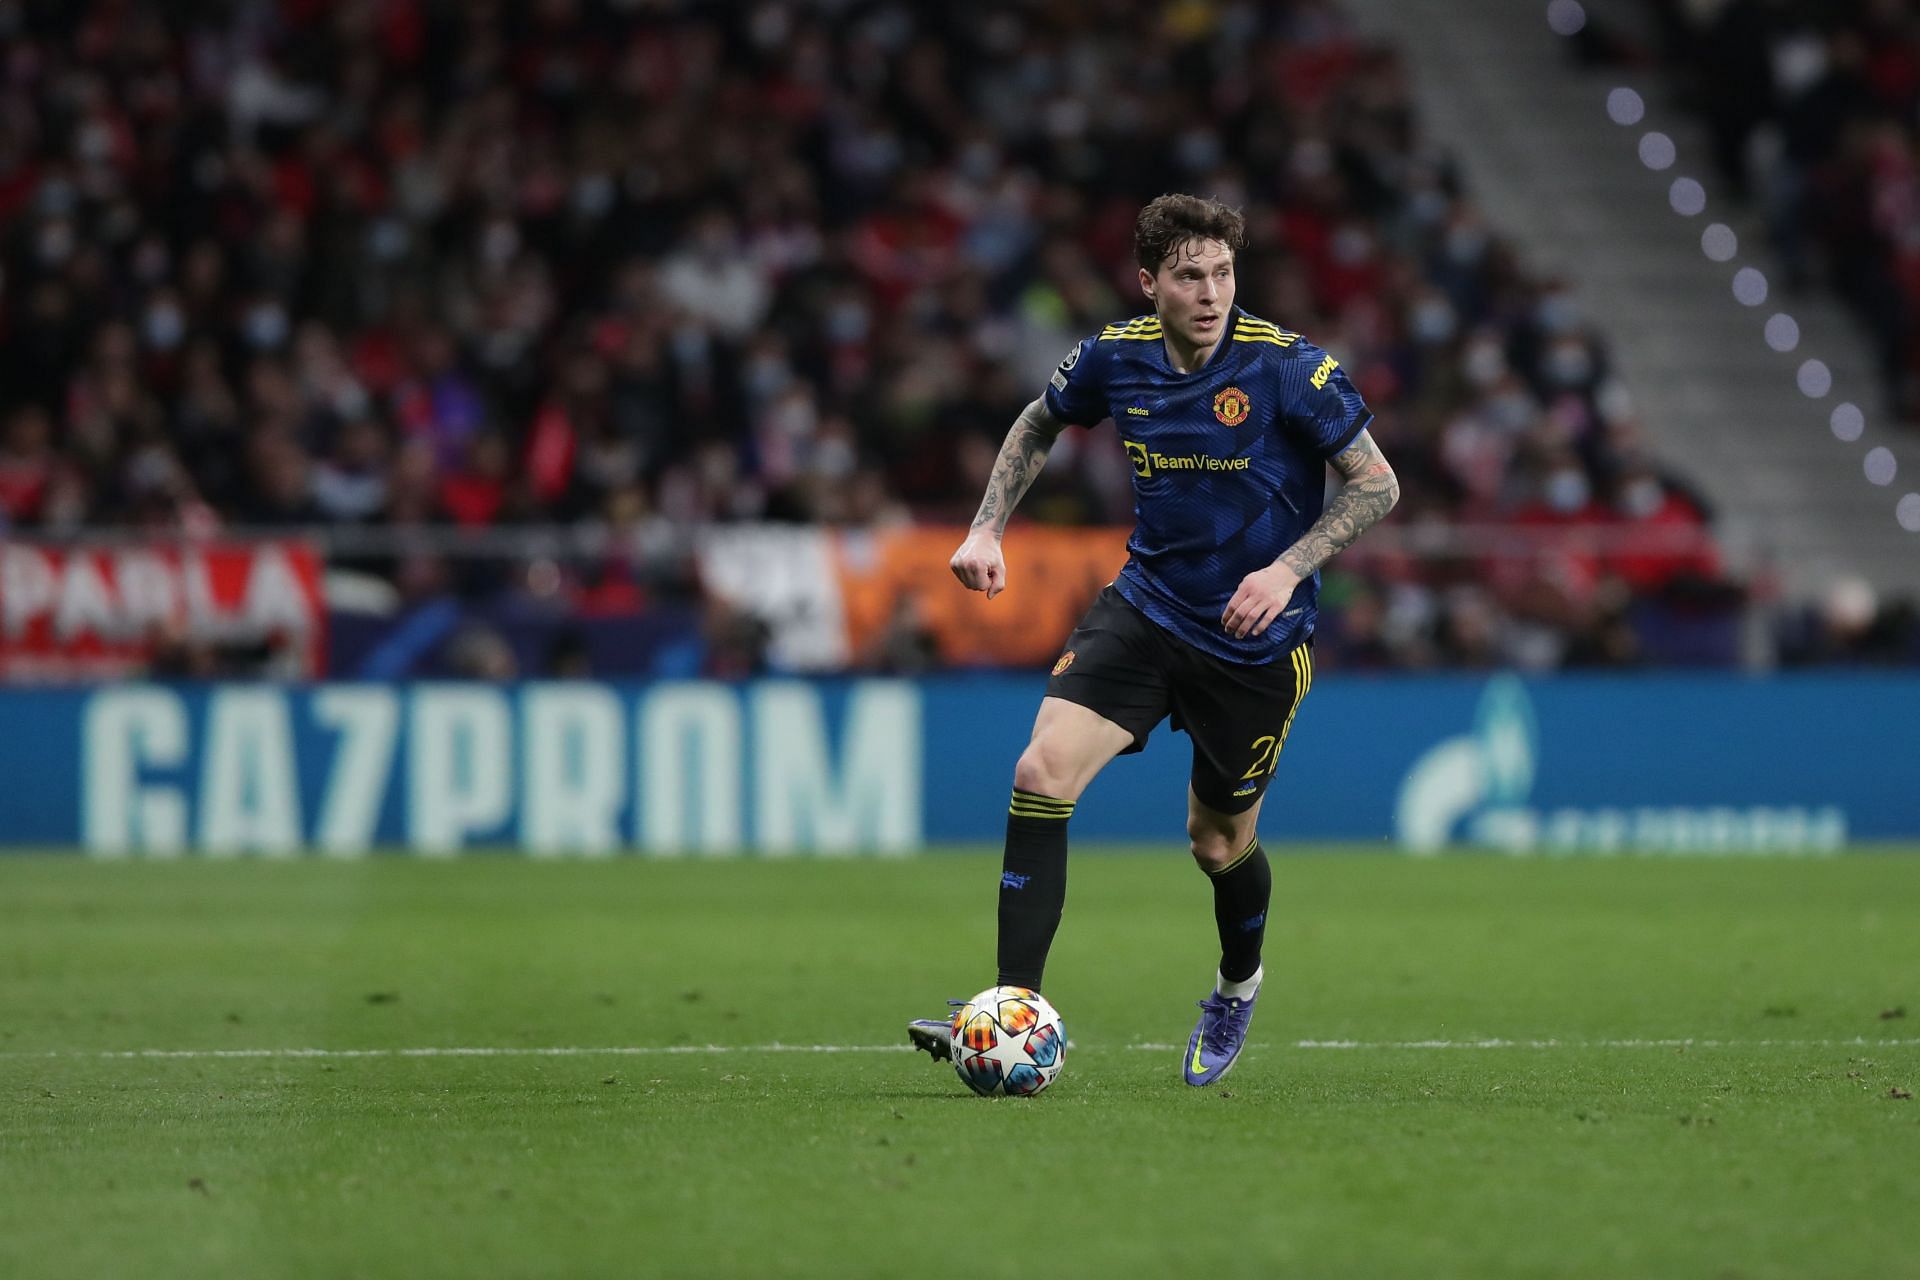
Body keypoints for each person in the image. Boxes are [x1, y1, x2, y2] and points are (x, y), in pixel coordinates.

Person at [907, 194, 1400, 1086]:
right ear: (1150, 284)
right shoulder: (1115, 357)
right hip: (1145, 611)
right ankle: (1013, 1011)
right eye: (1189, 276)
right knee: (1038, 773)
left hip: (1255, 643)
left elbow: (1376, 484)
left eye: (1222, 273)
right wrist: (986, 528)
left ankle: (1237, 988)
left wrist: (1286, 570)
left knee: (1216, 843)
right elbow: (1038, 420)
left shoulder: (1289, 367)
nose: (1211, 293)